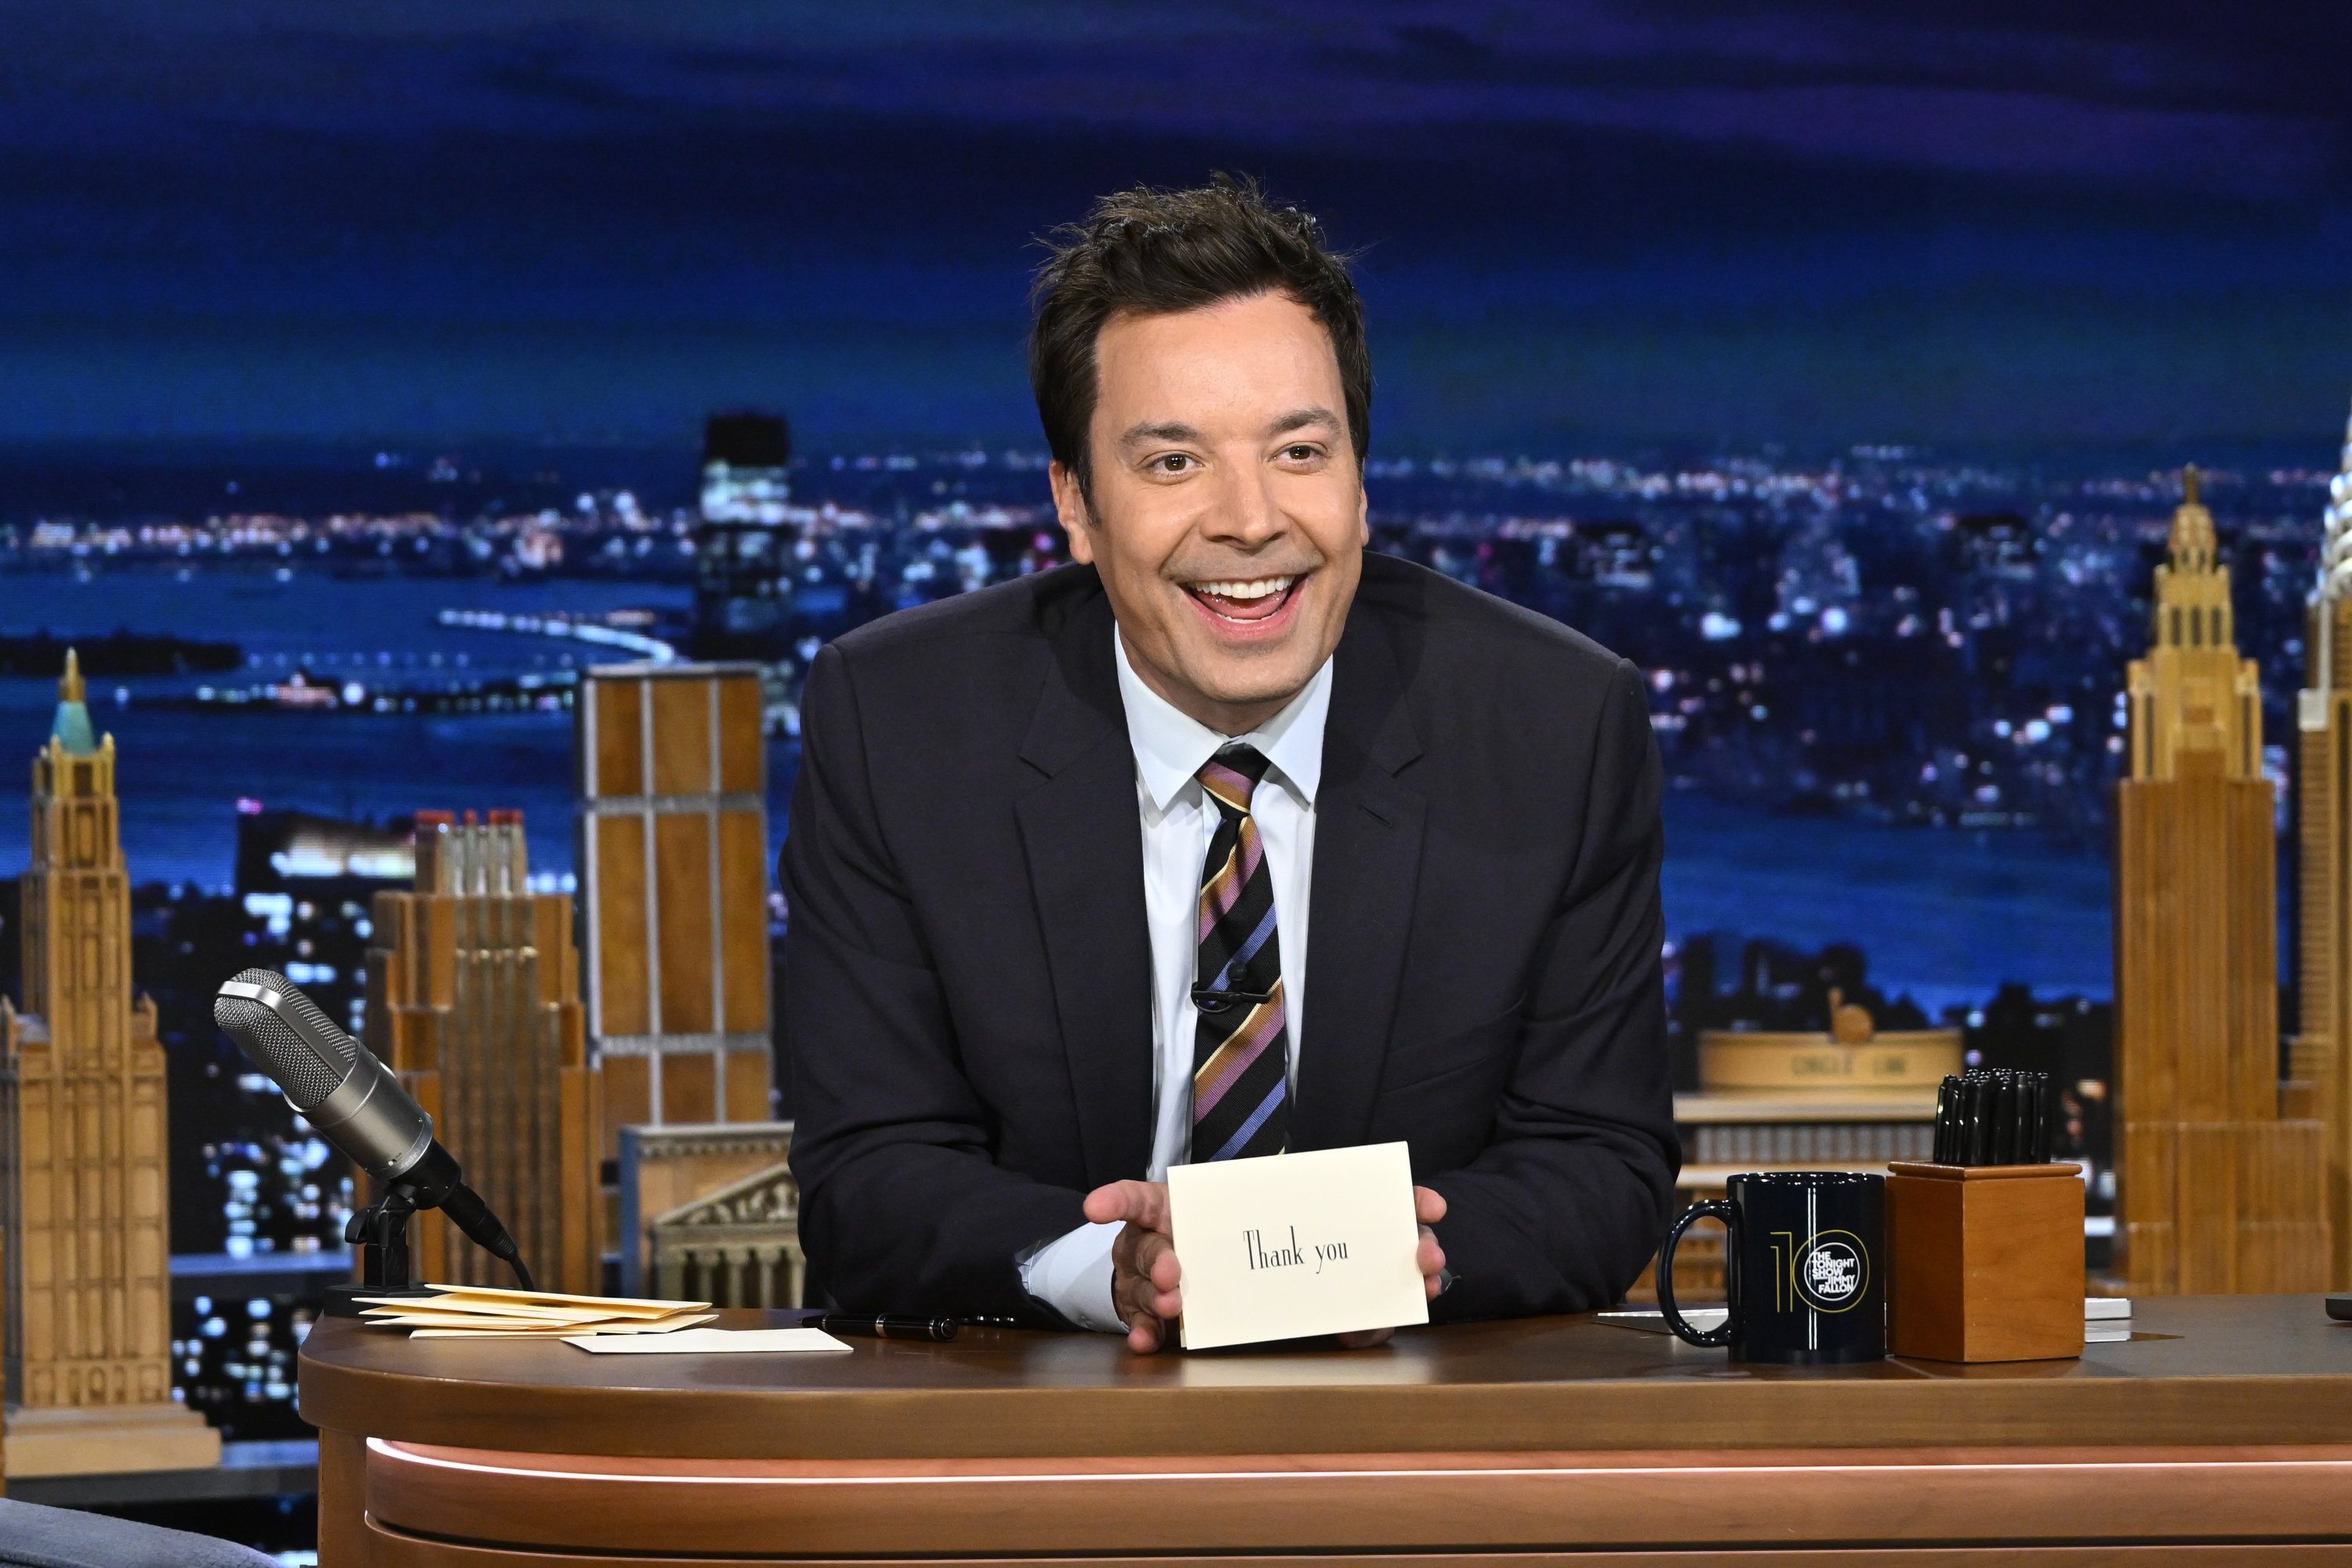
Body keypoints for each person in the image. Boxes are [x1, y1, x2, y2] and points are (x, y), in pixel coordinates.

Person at [782, 176, 1677, 1349]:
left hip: (1420, 1444)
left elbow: (1601, 1162)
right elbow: (868, 1179)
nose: (1251, 520)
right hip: (1035, 1452)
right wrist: (1110, 1268)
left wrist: (1393, 1259)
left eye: (1299, 450)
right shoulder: (899, 721)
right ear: (1075, 504)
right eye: (1172, 464)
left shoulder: (1556, 724)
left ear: (1360, 486)